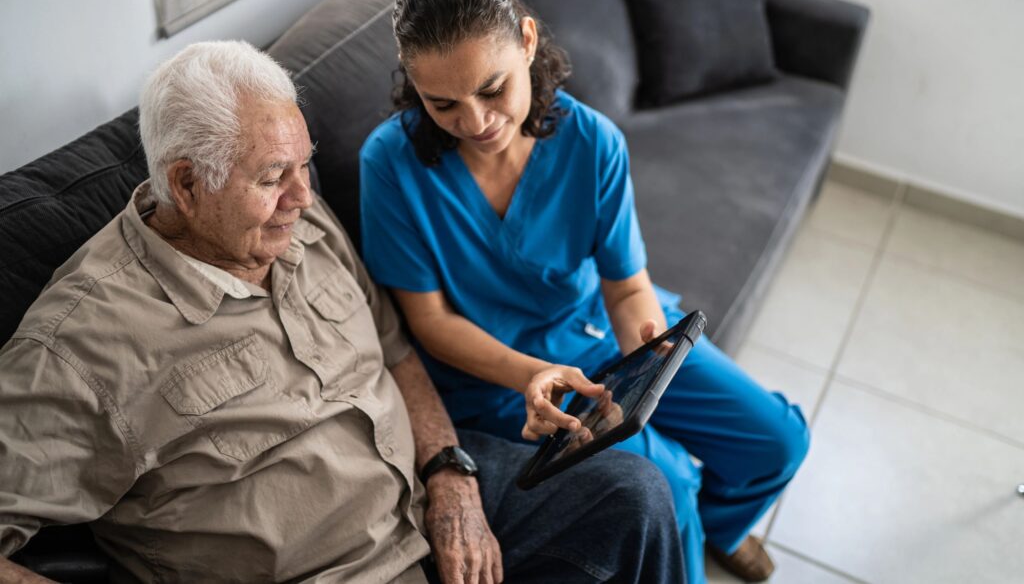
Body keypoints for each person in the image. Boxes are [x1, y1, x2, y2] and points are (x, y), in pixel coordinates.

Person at [0, 41, 686, 584]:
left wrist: (450, 474)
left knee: (634, 496)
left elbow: (395, 352)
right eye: (273, 178)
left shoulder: (295, 221)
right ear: (185, 183)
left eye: (306, 166)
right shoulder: (82, 344)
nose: (304, 197)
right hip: (328, 569)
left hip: (423, 487)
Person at [359, 0, 811, 584]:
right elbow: (429, 322)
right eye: (443, 104)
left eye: (492, 90)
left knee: (777, 441)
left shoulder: (593, 142)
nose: (475, 121)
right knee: (667, 485)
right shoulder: (390, 164)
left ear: (526, 40)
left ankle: (717, 530)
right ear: (415, 86)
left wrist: (645, 359)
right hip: (498, 372)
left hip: (599, 328)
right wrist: (533, 373)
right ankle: (686, 544)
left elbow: (627, 287)